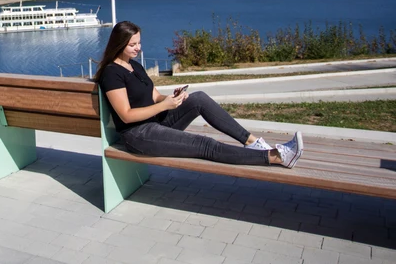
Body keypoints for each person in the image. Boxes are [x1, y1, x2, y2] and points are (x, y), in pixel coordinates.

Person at [94, 21, 303, 168]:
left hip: (156, 122)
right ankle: (275, 157)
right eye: (132, 44)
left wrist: (172, 99)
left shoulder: (135, 66)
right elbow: (126, 115)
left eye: (139, 43)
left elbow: (155, 96)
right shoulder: (112, 73)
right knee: (205, 144)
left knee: (198, 98)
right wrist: (163, 106)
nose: (138, 48)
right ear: (119, 44)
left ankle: (252, 142)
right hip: (138, 135)